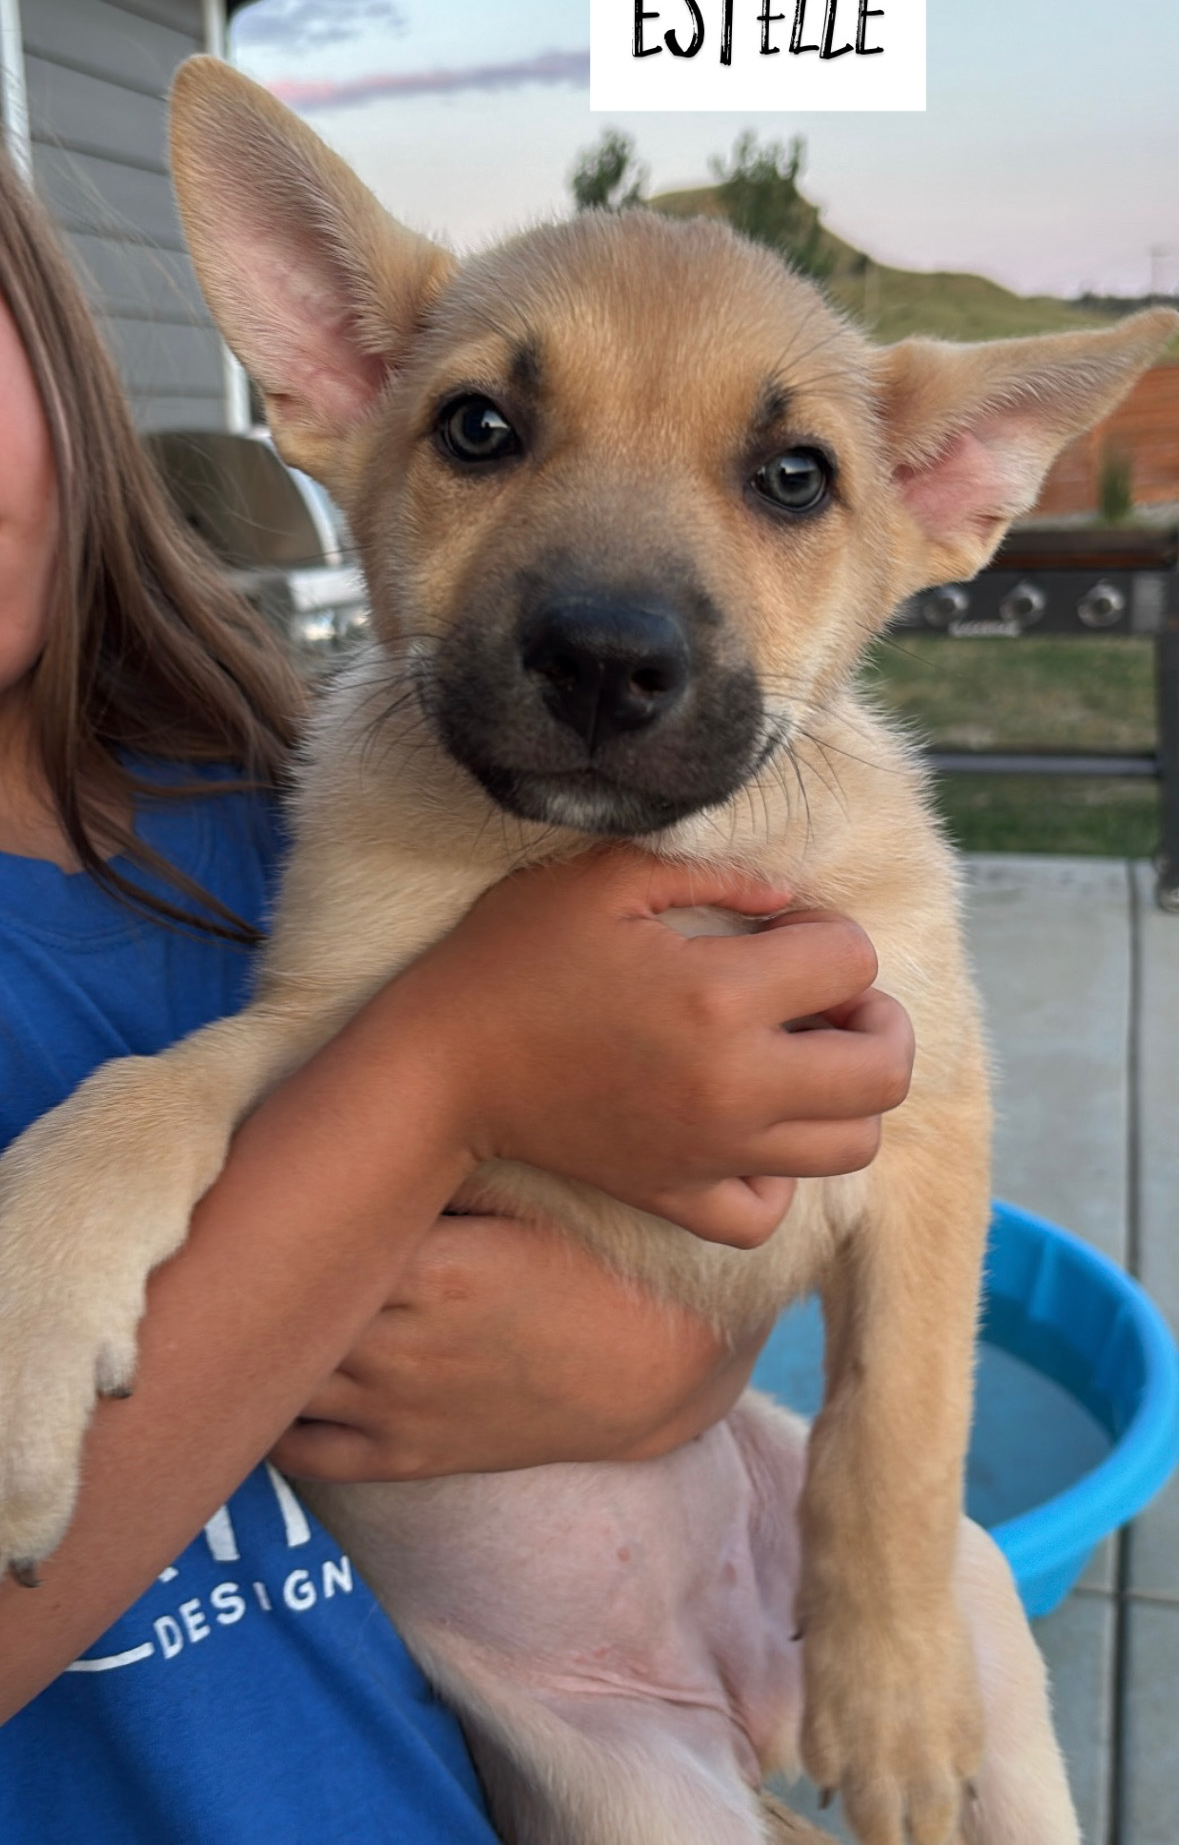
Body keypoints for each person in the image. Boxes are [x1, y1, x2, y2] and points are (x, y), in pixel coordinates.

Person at [0, 145, 912, 1842]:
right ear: (337, 376)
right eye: (489, 432)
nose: (615, 627)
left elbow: (795, 1188)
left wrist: (681, 1372)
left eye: (781, 474)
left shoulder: (262, 792)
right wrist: (447, 1071)